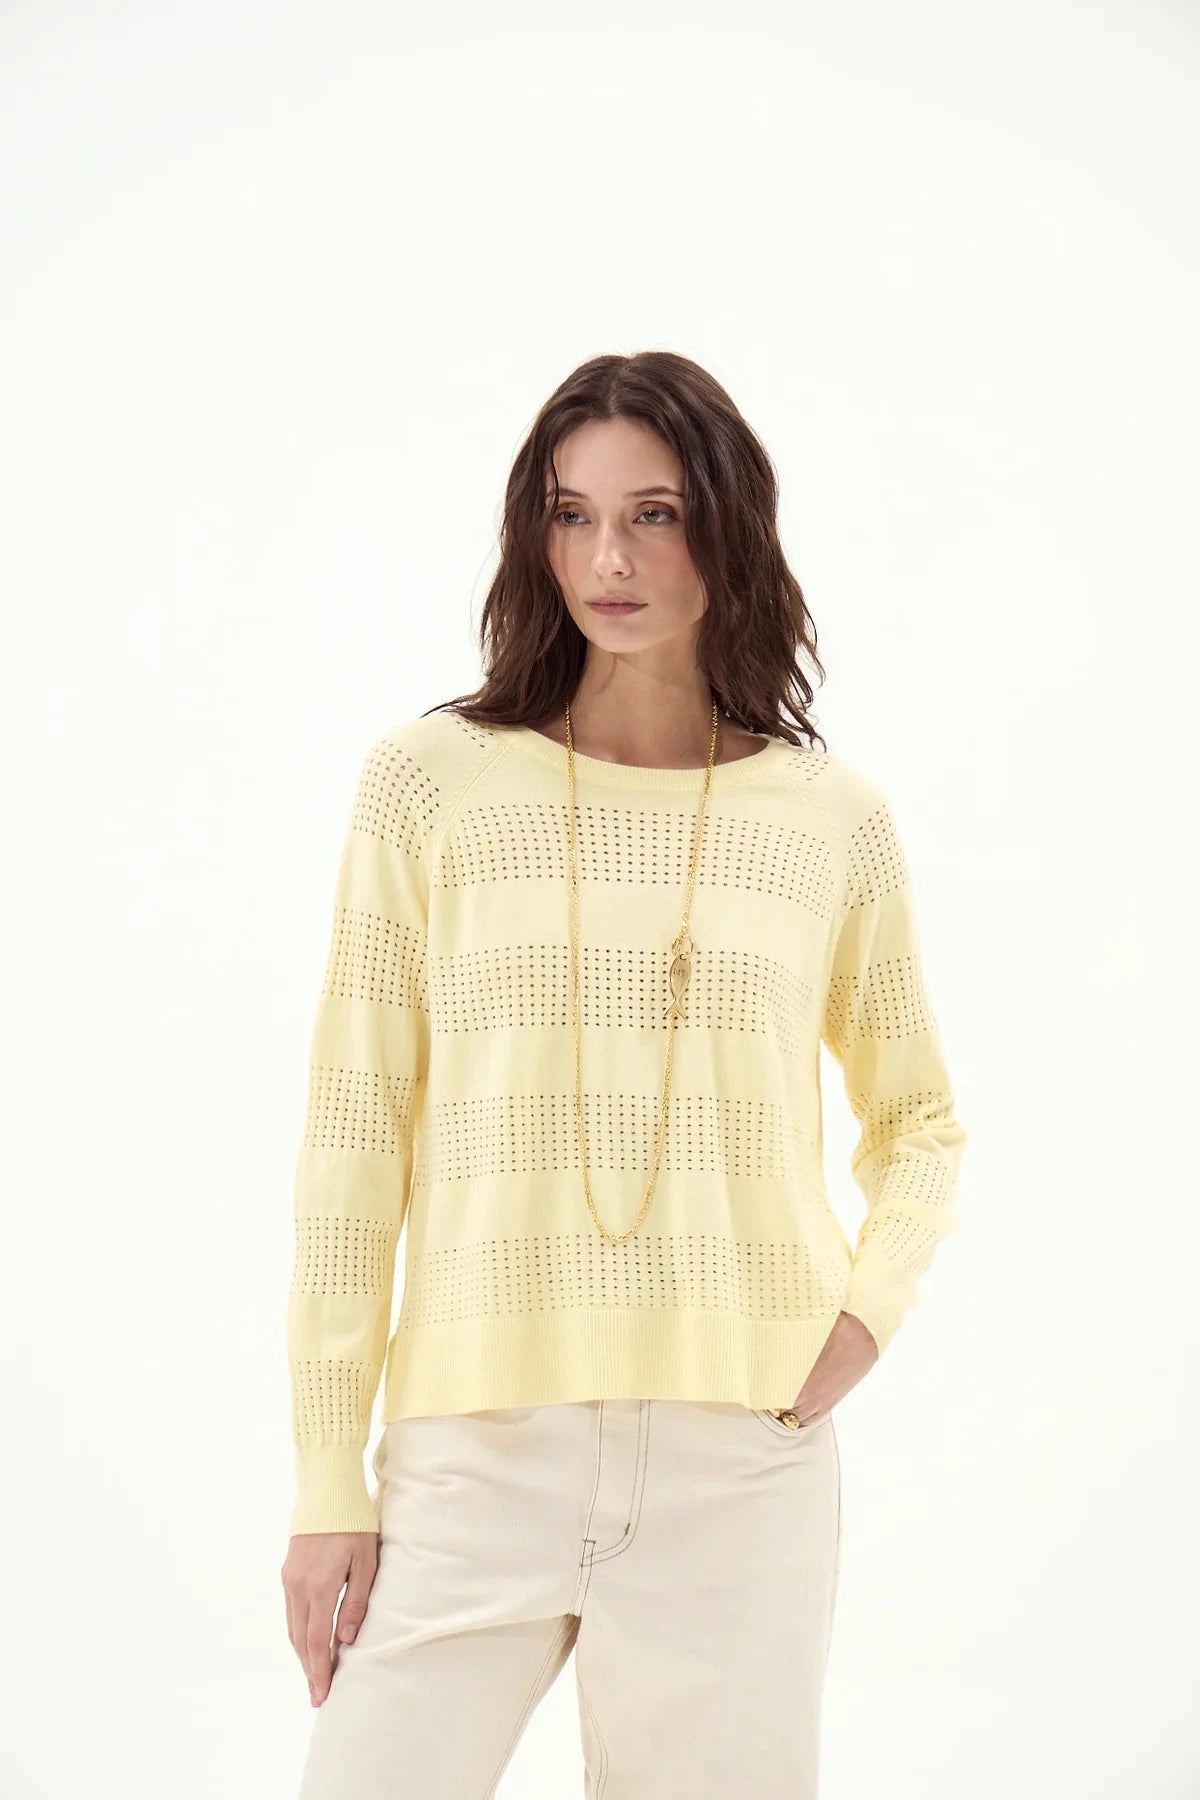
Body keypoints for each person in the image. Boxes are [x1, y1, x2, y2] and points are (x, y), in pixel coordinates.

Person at [280, 349, 968, 1798]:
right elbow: (354, 1137)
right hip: (475, 1450)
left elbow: (918, 1120)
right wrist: (327, 1477)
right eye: (572, 514)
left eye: (654, 515)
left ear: (728, 526)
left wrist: (863, 1316)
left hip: (741, 1459)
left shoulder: (828, 818)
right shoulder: (432, 783)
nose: (610, 558)